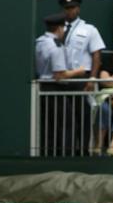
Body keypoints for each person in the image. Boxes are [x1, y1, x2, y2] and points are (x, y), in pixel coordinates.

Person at [59, 0, 106, 155]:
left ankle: (84, 150)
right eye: (66, 8)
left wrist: (92, 78)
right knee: (65, 117)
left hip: (81, 77)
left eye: (72, 8)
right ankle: (66, 150)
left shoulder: (89, 29)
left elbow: (96, 55)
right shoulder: (58, 28)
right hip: (63, 77)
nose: (69, 11)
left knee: (83, 116)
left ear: (78, 9)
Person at [35, 13, 86, 156]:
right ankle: (66, 155)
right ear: (59, 28)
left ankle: (49, 154)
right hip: (55, 90)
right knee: (66, 125)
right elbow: (60, 75)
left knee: (50, 126)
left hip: (43, 89)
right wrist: (79, 71)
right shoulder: (55, 46)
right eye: (63, 28)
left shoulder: (40, 42)